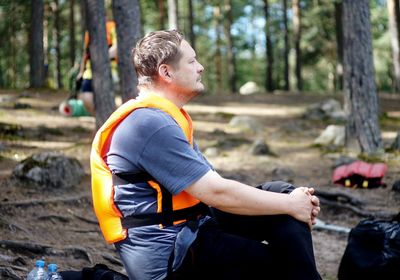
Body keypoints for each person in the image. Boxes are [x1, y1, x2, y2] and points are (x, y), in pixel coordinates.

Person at [90, 30, 322, 280]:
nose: (200, 67)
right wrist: (292, 206)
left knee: (280, 192)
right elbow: (215, 193)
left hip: (190, 229)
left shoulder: (166, 118)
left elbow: (214, 186)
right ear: (166, 72)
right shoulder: (149, 124)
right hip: (170, 258)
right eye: (191, 61)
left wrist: (293, 202)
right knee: (280, 262)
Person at [76, 20, 118, 115]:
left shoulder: (112, 26)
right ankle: (100, 120)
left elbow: (117, 48)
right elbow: (85, 53)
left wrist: (101, 56)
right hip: (89, 72)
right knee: (86, 97)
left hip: (110, 71)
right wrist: (81, 72)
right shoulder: (89, 31)